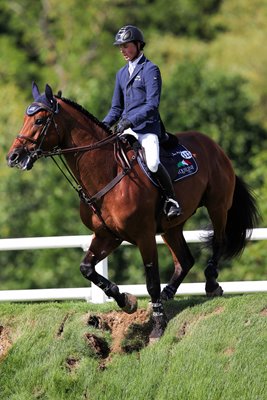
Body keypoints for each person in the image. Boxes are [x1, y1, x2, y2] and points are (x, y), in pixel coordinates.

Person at [103, 25, 181, 219]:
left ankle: (171, 199)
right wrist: (102, 125)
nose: (122, 50)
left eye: (126, 46)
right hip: (126, 129)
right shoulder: (121, 74)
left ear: (138, 45)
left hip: (146, 128)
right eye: (120, 47)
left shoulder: (150, 69)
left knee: (153, 163)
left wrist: (129, 121)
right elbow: (116, 108)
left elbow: (152, 105)